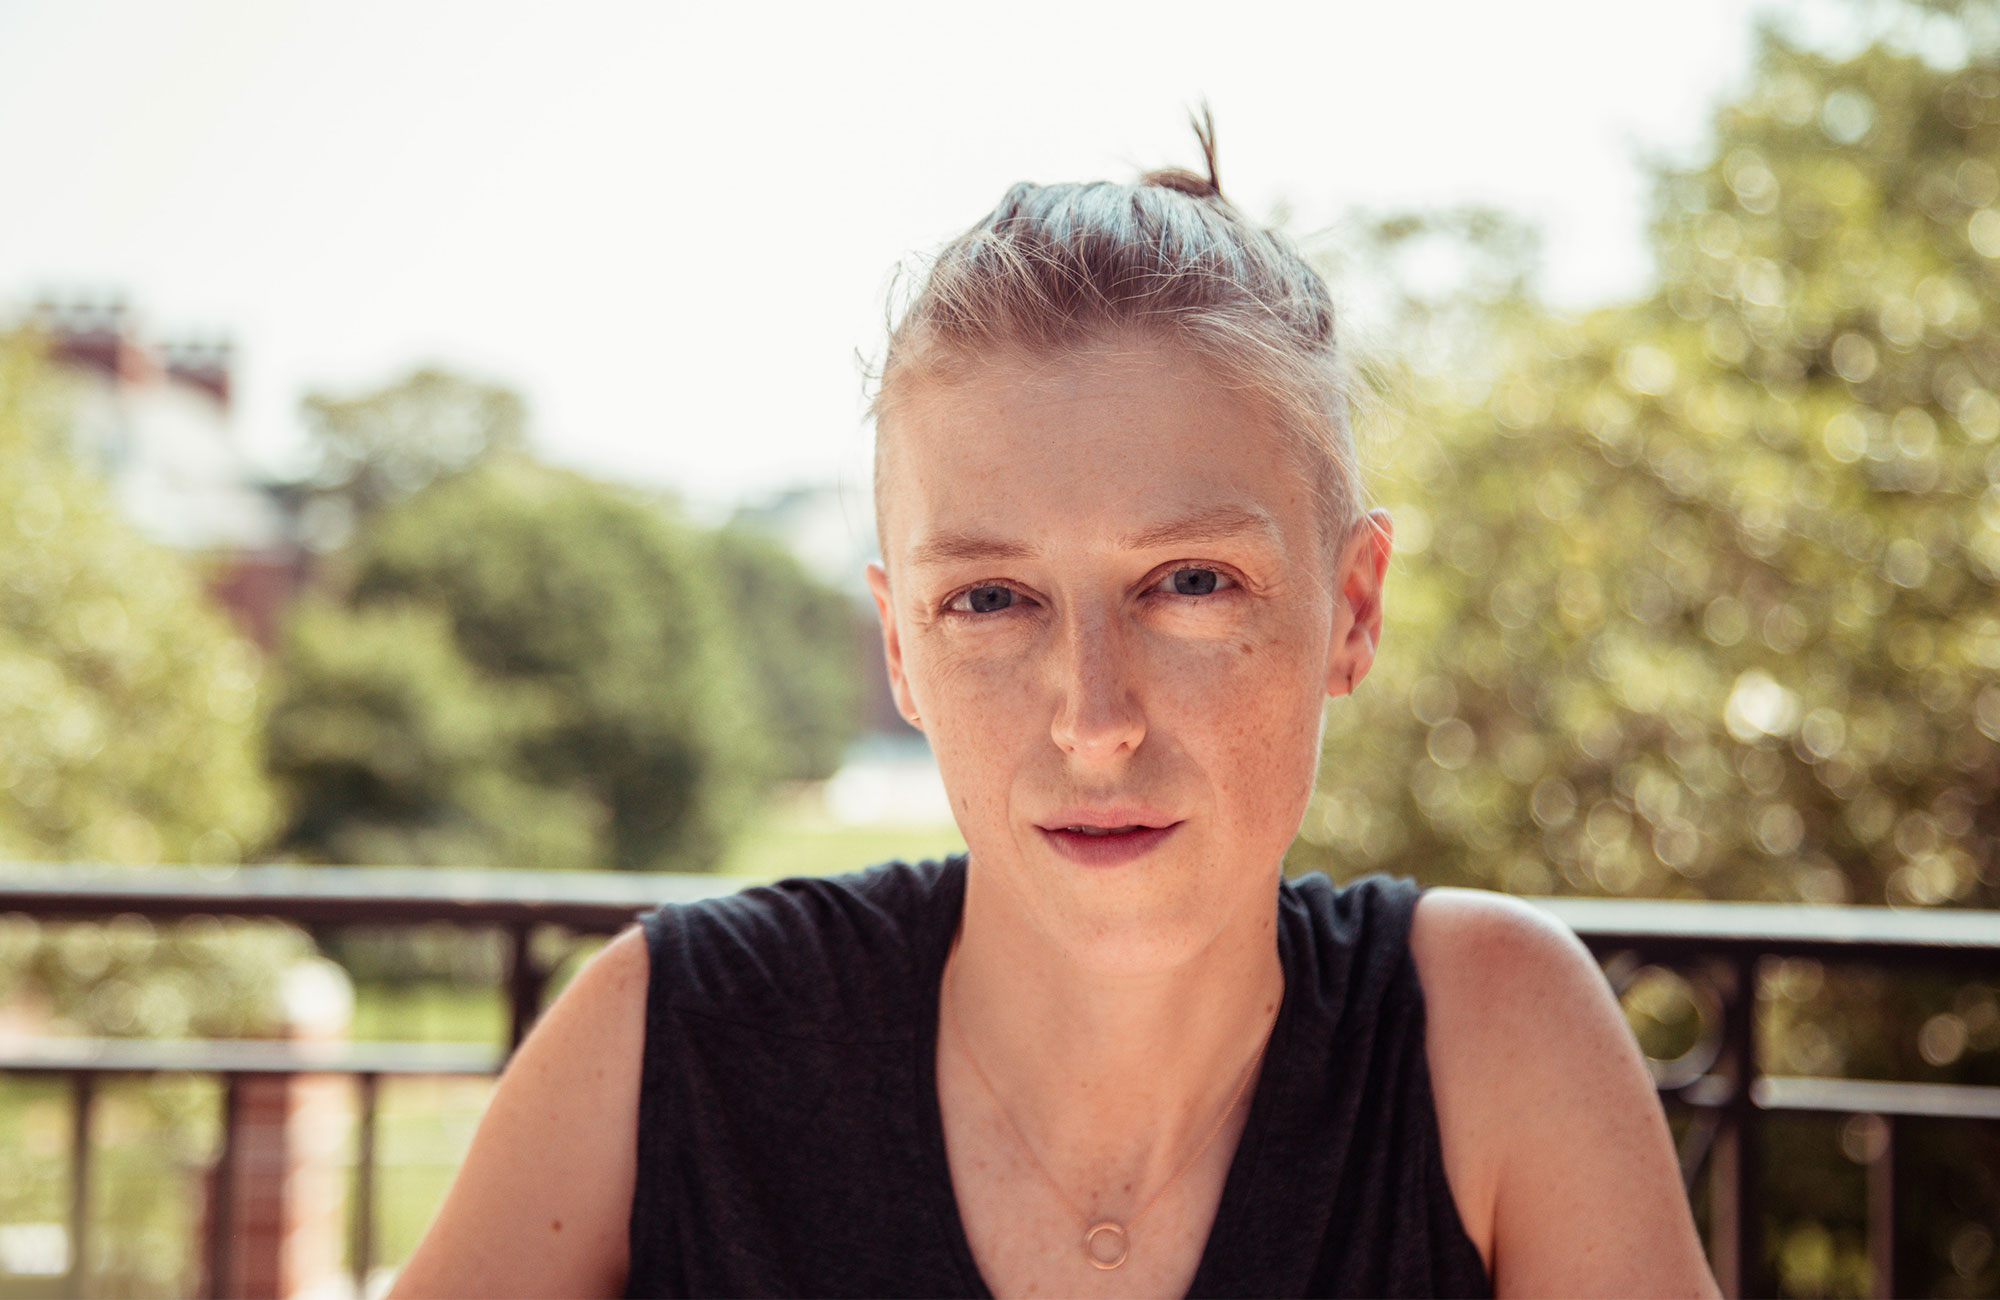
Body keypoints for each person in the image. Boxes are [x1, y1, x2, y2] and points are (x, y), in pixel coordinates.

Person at [386, 112, 1722, 1299]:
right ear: (900, 645)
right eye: (990, 599)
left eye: (1190, 583)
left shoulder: (1493, 1048)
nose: (1095, 720)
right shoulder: (669, 1046)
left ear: (1353, 608)